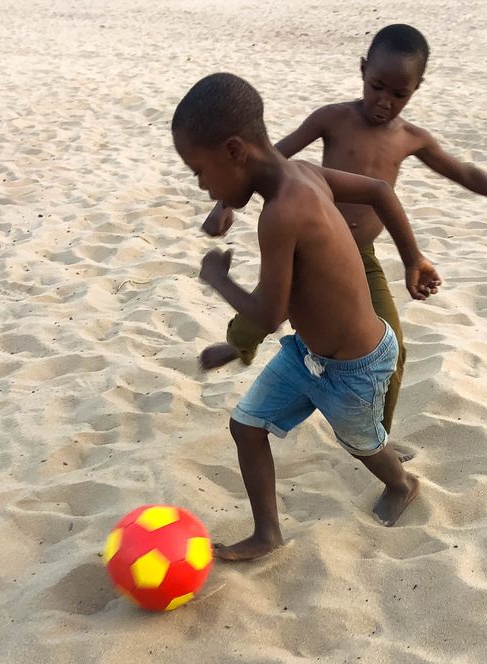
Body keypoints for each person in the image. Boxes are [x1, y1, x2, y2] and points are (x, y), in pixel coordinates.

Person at [199, 24, 487, 436]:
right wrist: (225, 204)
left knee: (393, 347)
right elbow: (270, 159)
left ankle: (378, 435)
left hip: (360, 257)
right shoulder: (333, 118)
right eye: (377, 87)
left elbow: (466, 173)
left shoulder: (412, 139)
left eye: (399, 94)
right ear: (363, 69)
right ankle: (239, 346)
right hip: (309, 247)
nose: (384, 102)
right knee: (264, 308)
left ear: (417, 88)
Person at [172, 73, 442, 560]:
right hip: (307, 355)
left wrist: (217, 279)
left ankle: (402, 485)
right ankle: (266, 534)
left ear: (234, 151)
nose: (203, 185)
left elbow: (271, 313)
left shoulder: (281, 214)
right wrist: (412, 257)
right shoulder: (304, 173)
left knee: (362, 444)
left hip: (357, 366)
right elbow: (380, 190)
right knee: (246, 426)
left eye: (200, 171)